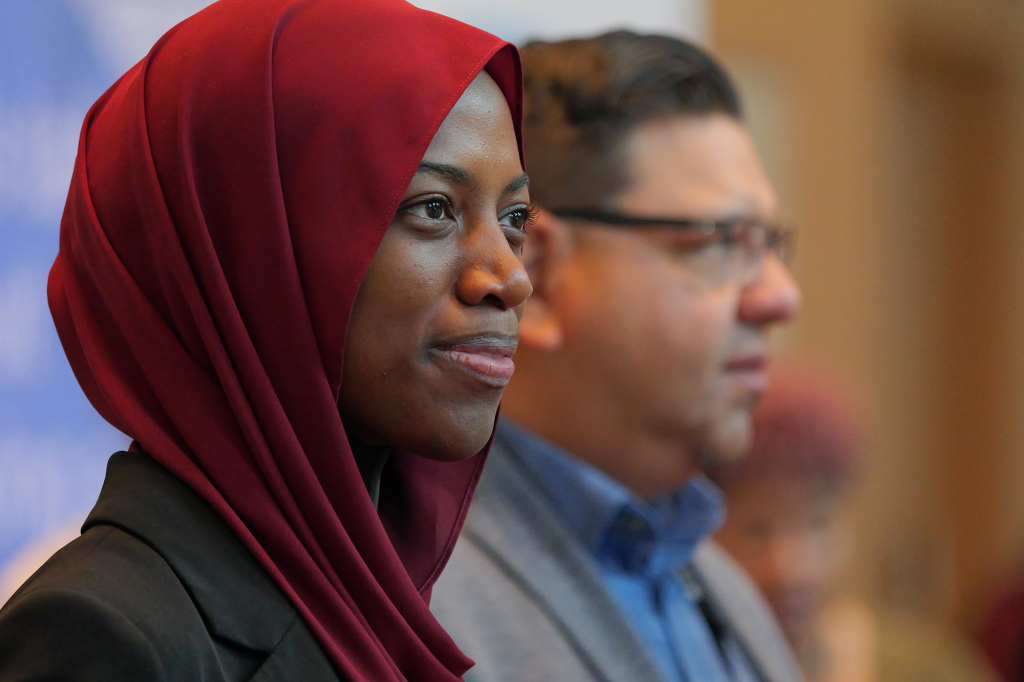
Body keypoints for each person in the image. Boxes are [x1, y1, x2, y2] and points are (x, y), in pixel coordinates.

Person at [0, 0, 534, 680]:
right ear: (247, 250)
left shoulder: (373, 609)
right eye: (433, 208)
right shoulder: (104, 637)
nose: (509, 277)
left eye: (515, 216)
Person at [430, 31, 803, 682]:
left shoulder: (726, 591)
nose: (780, 296)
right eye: (720, 241)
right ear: (538, 273)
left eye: (769, 244)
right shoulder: (416, 600)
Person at [710, 363, 999, 682]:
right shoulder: (681, 664)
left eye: (818, 524)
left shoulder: (929, 669)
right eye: (756, 530)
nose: (791, 569)